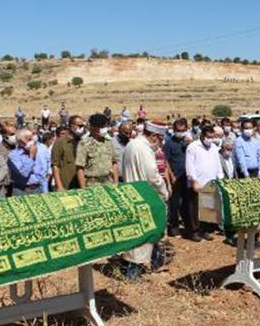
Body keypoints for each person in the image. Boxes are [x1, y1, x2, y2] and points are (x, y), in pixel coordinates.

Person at [120, 121, 170, 279]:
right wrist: (164, 191)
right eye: (160, 139)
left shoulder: (131, 145)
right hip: (145, 195)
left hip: (131, 193)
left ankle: (156, 261)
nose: (160, 143)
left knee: (139, 233)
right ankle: (133, 274)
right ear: (154, 136)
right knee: (143, 237)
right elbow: (153, 176)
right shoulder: (145, 149)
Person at [184, 125, 223, 242]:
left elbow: (218, 165)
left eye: (212, 137)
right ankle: (194, 231)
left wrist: (220, 178)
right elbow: (189, 166)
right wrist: (194, 180)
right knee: (195, 209)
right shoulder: (193, 147)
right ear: (202, 135)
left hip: (210, 182)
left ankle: (204, 230)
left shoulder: (213, 148)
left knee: (208, 208)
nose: (210, 139)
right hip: (197, 183)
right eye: (208, 137)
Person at [163, 119, 191, 237]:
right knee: (174, 203)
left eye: (183, 130)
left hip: (187, 177)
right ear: (174, 130)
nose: (181, 132)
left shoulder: (188, 143)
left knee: (187, 203)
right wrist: (171, 176)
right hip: (176, 177)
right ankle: (173, 227)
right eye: (178, 130)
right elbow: (166, 161)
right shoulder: (169, 143)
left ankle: (188, 225)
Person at [76, 113, 118, 187]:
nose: (104, 129)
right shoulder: (84, 144)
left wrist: (116, 183)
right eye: (102, 127)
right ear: (94, 128)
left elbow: (114, 163)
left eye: (105, 126)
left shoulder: (109, 142)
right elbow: (80, 168)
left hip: (108, 182)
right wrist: (83, 188)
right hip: (91, 184)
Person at [8, 128, 49, 196]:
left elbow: (43, 173)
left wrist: (45, 191)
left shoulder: (40, 149)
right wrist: (31, 157)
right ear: (20, 142)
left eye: (32, 139)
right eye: (29, 140)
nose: (32, 142)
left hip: (39, 188)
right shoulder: (13, 155)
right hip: (22, 190)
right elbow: (23, 174)